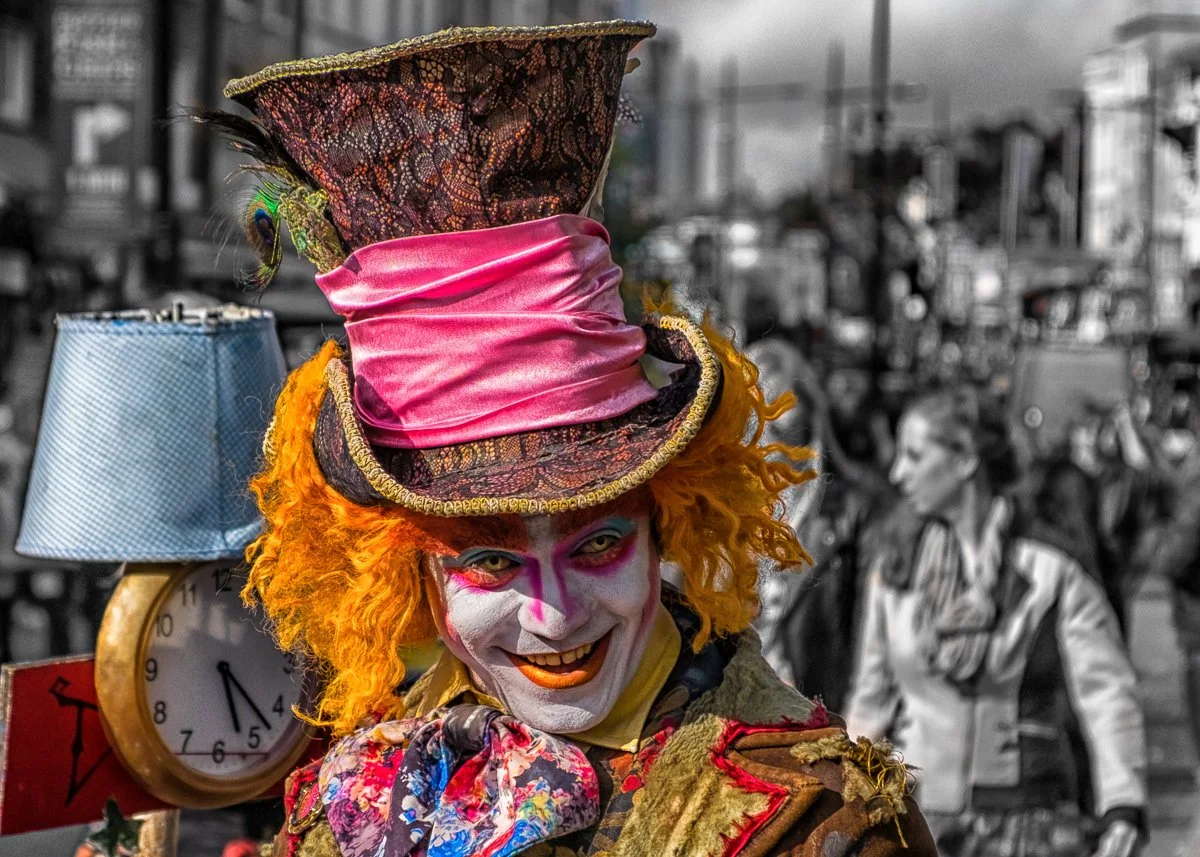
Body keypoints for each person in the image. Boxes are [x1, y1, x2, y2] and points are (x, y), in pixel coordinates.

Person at [205, 21, 937, 857]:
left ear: (666, 522)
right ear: (416, 576)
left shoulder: (815, 827)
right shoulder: (366, 801)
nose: (553, 618)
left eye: (599, 543)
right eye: (488, 561)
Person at [846, 385, 1146, 857]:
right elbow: (871, 702)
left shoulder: (1050, 571)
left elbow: (1106, 694)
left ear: (966, 461)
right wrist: (847, 803)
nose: (897, 473)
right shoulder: (896, 572)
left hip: (1030, 822)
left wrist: (1123, 803)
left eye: (915, 456)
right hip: (920, 819)